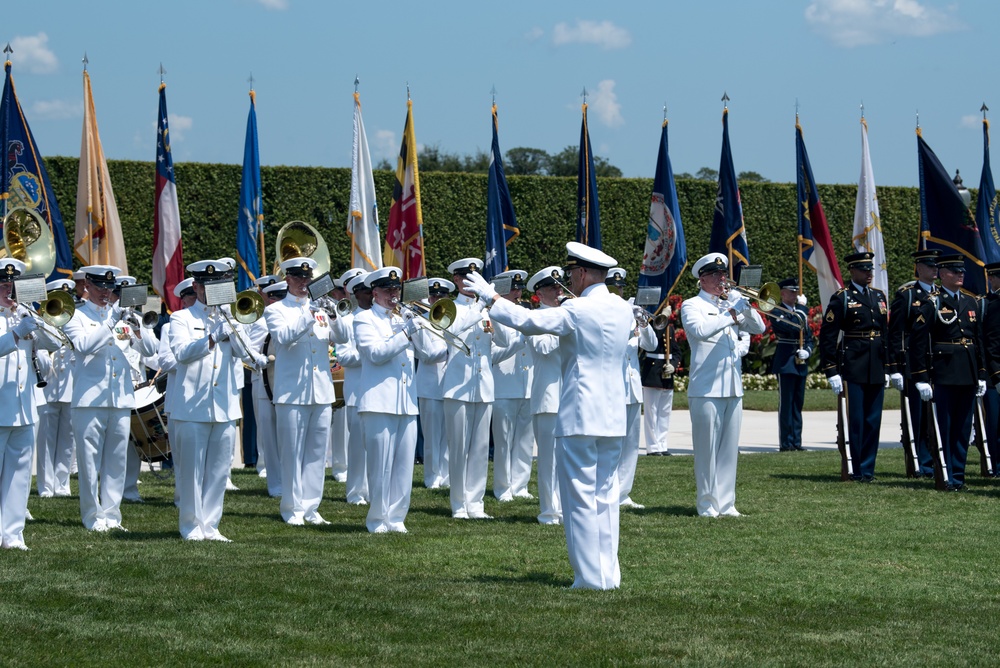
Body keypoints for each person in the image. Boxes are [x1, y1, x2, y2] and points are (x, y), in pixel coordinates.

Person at [463, 242, 634, 590]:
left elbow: (528, 321)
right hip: (614, 414)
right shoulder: (621, 308)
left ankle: (589, 577)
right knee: (605, 495)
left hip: (581, 413)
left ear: (583, 273)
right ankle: (608, 574)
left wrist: (490, 298)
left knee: (580, 497)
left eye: (572, 273)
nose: (569, 279)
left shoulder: (580, 310)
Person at [167, 258, 258, 541]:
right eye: (208, 286)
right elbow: (181, 353)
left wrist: (235, 329)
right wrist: (211, 337)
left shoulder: (232, 317)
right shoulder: (181, 318)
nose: (214, 291)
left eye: (220, 285)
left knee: (219, 471)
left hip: (224, 405)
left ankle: (211, 525)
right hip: (192, 406)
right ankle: (191, 526)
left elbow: (248, 356)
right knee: (192, 471)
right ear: (196, 287)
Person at [63, 265, 157, 532]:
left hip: (120, 398)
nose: (106, 293)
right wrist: (112, 319)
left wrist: (138, 328)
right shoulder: (76, 316)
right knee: (90, 462)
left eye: (110, 288)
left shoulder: (121, 318)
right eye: (100, 287)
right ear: (87, 287)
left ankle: (112, 516)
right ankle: (92, 517)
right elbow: (84, 345)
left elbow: (150, 350)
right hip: (90, 399)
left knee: (116, 462)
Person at [353, 267, 446, 533]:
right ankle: (377, 519)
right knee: (380, 466)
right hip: (378, 402)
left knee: (404, 466)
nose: (394, 295)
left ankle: (396, 518)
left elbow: (431, 353)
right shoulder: (364, 319)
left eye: (396, 290)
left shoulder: (403, 317)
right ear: (375, 293)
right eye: (388, 290)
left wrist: (419, 328)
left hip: (405, 402)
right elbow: (375, 354)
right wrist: (405, 332)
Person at [681, 253, 766, 517]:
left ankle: (726, 503)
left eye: (723, 274)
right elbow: (700, 331)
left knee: (729, 450)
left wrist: (746, 307)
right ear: (702, 279)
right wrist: (731, 312)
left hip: (732, 387)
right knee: (706, 451)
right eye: (716, 275)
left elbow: (759, 327)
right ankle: (706, 504)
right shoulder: (691, 305)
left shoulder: (731, 303)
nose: (722, 279)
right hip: (706, 388)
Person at [263, 257, 336, 525]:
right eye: (298, 278)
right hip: (292, 392)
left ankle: (311, 507)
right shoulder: (276, 310)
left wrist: (334, 315)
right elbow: (283, 337)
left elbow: (340, 338)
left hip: (321, 391)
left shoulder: (319, 308)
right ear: (288, 280)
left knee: (317, 453)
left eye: (307, 278)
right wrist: (309, 313)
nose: (304, 283)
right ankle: (292, 508)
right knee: (292, 453)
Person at [910, 254, 986, 491]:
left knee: (963, 428)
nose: (960, 275)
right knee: (944, 426)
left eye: (961, 271)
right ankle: (944, 474)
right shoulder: (932, 302)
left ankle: (958, 475)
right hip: (943, 373)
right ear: (943, 274)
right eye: (954, 271)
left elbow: (978, 341)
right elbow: (918, 343)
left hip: (968, 371)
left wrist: (982, 374)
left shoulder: (971, 302)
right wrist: (921, 377)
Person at [441, 258, 509, 520]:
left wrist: (493, 308)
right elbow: (451, 334)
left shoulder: (485, 310)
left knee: (480, 448)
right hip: (457, 386)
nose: (471, 284)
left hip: (483, 386)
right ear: (457, 280)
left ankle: (476, 502)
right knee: (458, 448)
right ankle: (459, 503)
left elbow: (502, 340)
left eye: (475, 278)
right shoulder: (450, 307)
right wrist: (479, 306)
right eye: (466, 279)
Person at [0, 259, 58, 550]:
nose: (8, 290)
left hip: (24, 407)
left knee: (19, 476)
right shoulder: (11, 324)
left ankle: (12, 535)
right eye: (3, 284)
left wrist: (38, 322)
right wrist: (16, 332)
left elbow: (56, 344)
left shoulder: (22, 314)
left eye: (12, 285)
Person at [819, 251, 890, 483]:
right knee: (856, 419)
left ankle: (868, 468)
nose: (868, 273)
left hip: (876, 364)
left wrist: (888, 366)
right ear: (852, 271)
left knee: (873, 419)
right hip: (853, 364)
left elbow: (885, 334)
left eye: (870, 269)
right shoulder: (842, 298)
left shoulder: (879, 296)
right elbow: (828, 336)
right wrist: (831, 370)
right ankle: (855, 466)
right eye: (863, 269)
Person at [605, 267, 657, 510]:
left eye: (621, 286)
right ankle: (608, 489)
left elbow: (651, 344)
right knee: (611, 442)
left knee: (630, 444)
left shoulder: (631, 312)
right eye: (613, 286)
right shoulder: (605, 313)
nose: (618, 290)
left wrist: (643, 323)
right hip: (611, 388)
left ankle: (623, 492)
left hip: (632, 388)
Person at [887, 249, 940, 478]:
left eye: (936, 266)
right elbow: (896, 332)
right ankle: (919, 461)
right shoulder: (907, 295)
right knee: (917, 417)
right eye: (929, 266)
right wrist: (894, 368)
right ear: (918, 268)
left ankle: (936, 459)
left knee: (935, 416)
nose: (934, 269)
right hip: (914, 363)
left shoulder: (942, 294)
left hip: (938, 362)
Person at [490, 269, 535, 502]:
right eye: (514, 289)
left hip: (527, 385)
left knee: (525, 441)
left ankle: (520, 485)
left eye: (519, 288)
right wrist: (519, 342)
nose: (519, 293)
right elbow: (493, 355)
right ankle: (502, 487)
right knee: (504, 442)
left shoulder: (526, 313)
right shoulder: (493, 317)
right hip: (504, 386)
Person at [525, 267, 565, 526]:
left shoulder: (568, 314)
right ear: (539, 293)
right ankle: (550, 512)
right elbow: (542, 347)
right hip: (548, 398)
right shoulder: (534, 318)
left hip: (572, 396)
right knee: (549, 460)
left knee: (570, 458)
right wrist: (564, 326)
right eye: (552, 287)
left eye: (560, 286)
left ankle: (568, 507)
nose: (559, 291)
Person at [34, 277, 76, 498]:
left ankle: (63, 483)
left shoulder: (73, 324)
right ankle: (46, 485)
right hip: (47, 388)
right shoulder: (40, 323)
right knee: (46, 440)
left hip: (69, 387)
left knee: (68, 439)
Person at [331, 269, 369, 505]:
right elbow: (343, 356)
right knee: (357, 446)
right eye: (363, 290)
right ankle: (355, 492)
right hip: (356, 391)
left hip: (378, 390)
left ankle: (372, 490)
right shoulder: (346, 320)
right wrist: (372, 354)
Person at [247, 279, 285, 497]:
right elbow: (251, 353)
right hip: (264, 383)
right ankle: (275, 483)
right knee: (269, 436)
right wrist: (262, 359)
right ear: (270, 300)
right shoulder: (262, 323)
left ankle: (286, 479)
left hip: (286, 383)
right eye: (278, 298)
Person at [415, 278, 454, 489]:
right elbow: (427, 355)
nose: (436, 299)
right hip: (430, 385)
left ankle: (446, 475)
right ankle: (432, 477)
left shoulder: (453, 320)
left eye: (441, 296)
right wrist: (450, 350)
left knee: (449, 435)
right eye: (433, 295)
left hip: (450, 383)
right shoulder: (420, 321)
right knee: (431, 436)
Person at [770, 277, 813, 452]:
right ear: (782, 293)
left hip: (800, 362)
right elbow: (794, 327)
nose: (795, 294)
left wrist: (808, 351)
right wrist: (802, 309)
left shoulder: (799, 312)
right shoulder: (777, 311)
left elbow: (808, 336)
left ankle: (797, 440)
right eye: (791, 291)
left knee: (797, 403)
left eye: (796, 291)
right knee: (786, 404)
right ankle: (786, 442)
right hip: (786, 362)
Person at [639, 301, 680, 457]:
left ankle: (662, 444)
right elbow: (652, 341)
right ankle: (652, 447)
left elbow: (676, 352)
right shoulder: (654, 325)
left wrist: (674, 365)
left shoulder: (669, 328)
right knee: (652, 412)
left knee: (664, 412)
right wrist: (662, 318)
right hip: (652, 371)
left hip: (666, 373)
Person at [981, 262, 1000, 476]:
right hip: (996, 376)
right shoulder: (994, 305)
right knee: (995, 424)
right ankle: (996, 465)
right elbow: (993, 345)